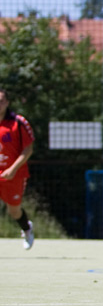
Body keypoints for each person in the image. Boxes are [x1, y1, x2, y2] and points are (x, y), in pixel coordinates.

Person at [0, 89, 36, 250]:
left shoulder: (18, 122)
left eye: (1, 101)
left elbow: (28, 149)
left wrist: (13, 169)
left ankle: (27, 228)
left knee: (14, 211)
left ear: (7, 103)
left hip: (13, 175)